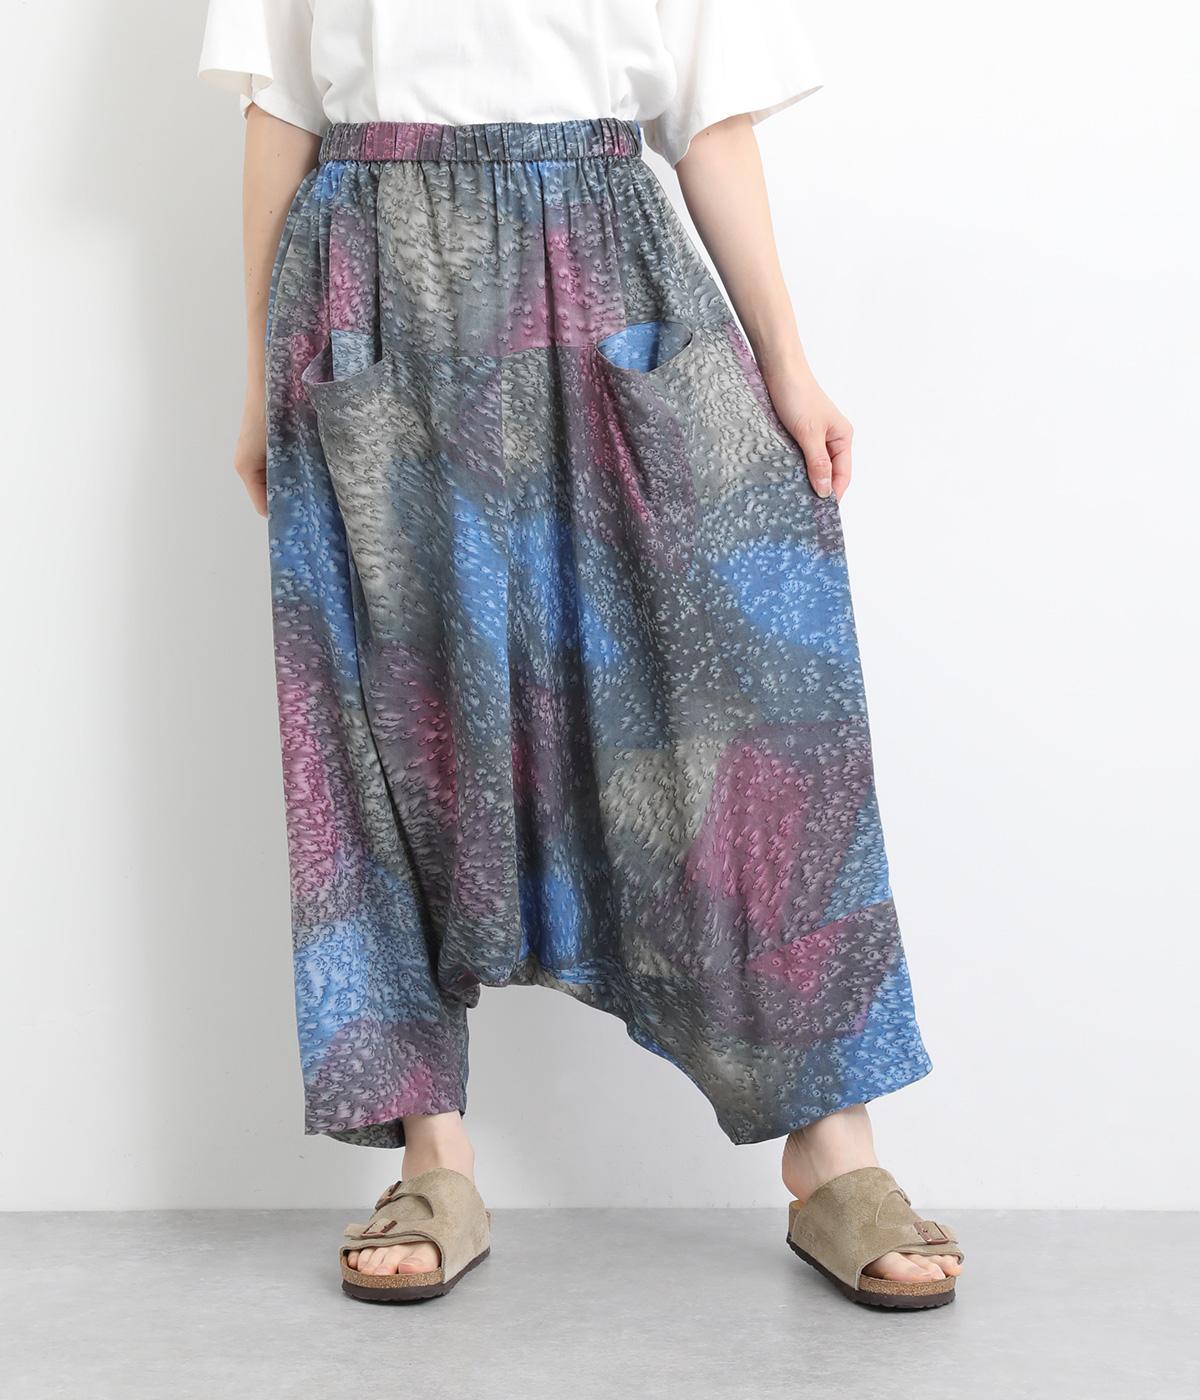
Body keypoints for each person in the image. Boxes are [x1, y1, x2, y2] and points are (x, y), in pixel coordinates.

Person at [197, 0, 964, 1311]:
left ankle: (831, 1140)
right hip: (372, 281)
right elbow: (281, 112)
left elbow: (707, 122)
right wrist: (260, 376)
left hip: (606, 262)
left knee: (737, 704)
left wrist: (786, 363)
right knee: (388, 722)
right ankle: (431, 1153)